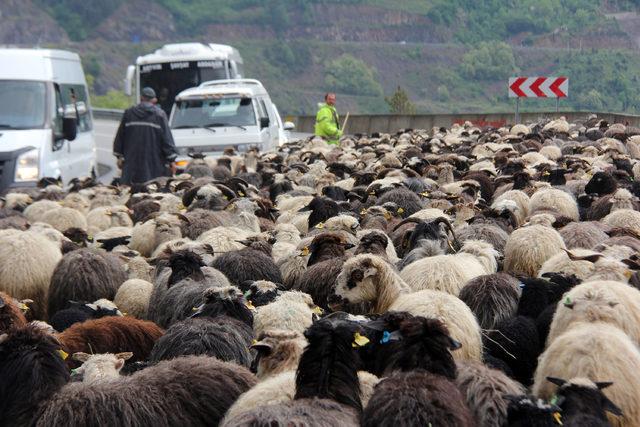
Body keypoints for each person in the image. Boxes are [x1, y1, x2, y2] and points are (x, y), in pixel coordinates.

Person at [113, 87, 177, 185]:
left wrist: (119, 157)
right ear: (154, 100)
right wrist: (172, 160)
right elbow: (167, 140)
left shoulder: (129, 114)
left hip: (131, 168)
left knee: (130, 195)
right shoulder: (159, 115)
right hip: (154, 168)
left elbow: (120, 137)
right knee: (152, 193)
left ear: (141, 98)